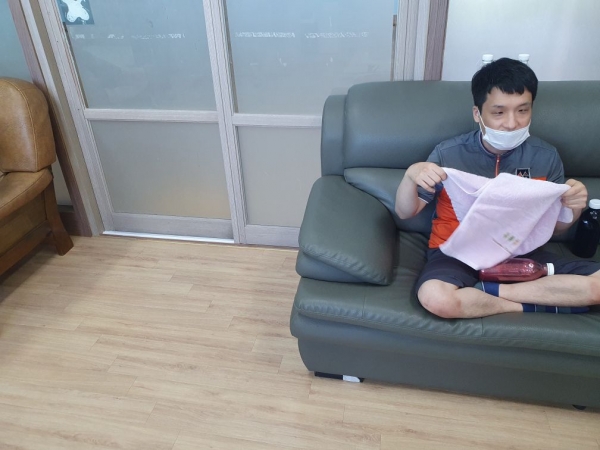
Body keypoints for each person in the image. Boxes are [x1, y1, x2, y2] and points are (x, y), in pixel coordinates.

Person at [394, 57, 600, 319]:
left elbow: (557, 228)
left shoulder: (546, 157)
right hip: (457, 251)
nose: (512, 123)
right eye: (499, 112)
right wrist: (410, 176)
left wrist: (574, 206)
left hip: (521, 252)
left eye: (522, 111)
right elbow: (405, 212)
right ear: (477, 114)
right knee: (436, 298)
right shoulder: (448, 153)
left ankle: (490, 291)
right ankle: (536, 301)